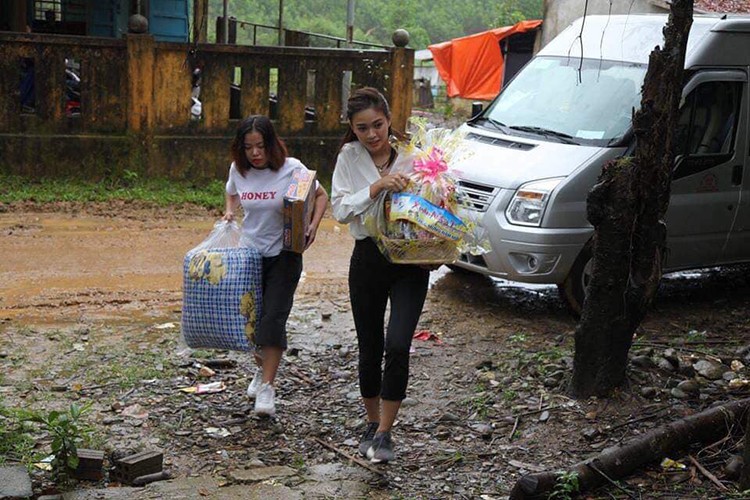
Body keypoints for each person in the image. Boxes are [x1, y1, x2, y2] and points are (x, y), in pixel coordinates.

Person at [331, 87, 430, 463]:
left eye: (378, 125)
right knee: (370, 347)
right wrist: (375, 187)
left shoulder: (414, 157)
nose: (372, 135)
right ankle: (372, 423)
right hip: (368, 259)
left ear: (389, 120)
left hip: (409, 263)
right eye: (362, 128)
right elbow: (340, 210)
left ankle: (387, 432)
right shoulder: (348, 158)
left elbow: (436, 205)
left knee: (399, 345)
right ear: (352, 130)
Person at [223, 115, 328, 417]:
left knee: (274, 318)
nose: (255, 153)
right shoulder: (238, 170)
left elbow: (320, 196)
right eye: (248, 147)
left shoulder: (292, 168)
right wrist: (230, 211)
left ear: (271, 144)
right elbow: (231, 191)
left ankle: (267, 387)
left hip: (285, 254)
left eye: (260, 146)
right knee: (253, 324)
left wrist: (313, 225)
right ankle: (262, 370)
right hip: (250, 256)